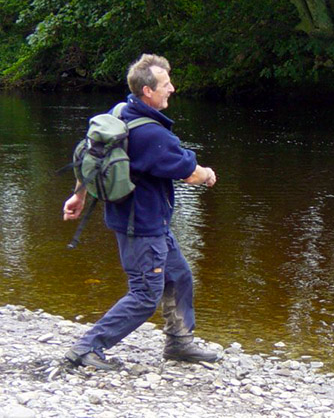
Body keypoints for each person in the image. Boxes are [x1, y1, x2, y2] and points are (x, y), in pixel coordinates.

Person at [62, 54, 220, 370]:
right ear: (147, 92)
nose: (172, 88)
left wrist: (79, 193)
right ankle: (86, 349)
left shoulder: (119, 113)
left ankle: (179, 343)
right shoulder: (152, 135)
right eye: (166, 84)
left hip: (144, 221)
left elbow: (87, 153)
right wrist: (208, 173)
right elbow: (190, 173)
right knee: (145, 294)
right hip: (142, 227)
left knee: (179, 275)